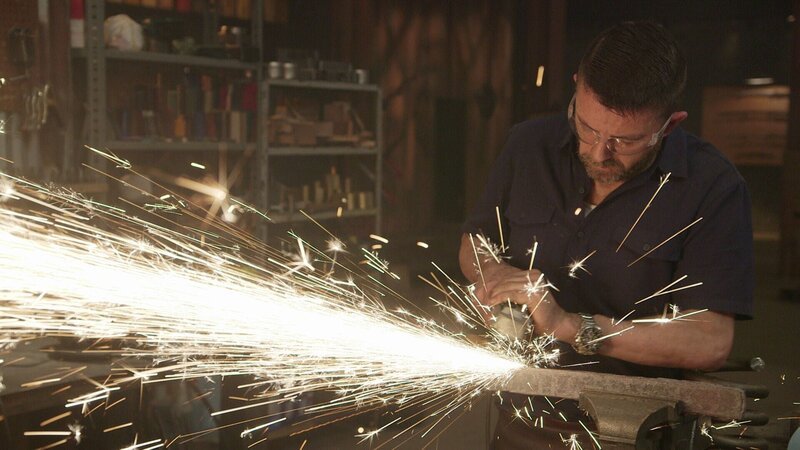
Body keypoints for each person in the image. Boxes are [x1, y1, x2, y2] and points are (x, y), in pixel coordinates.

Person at [459, 21, 754, 449]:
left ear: (670, 125)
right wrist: (492, 272)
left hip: (636, 432)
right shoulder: (527, 146)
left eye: (625, 141)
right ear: (576, 88)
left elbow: (708, 342)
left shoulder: (713, 188)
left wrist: (571, 325)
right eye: (587, 127)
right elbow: (477, 238)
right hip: (520, 419)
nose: (599, 152)